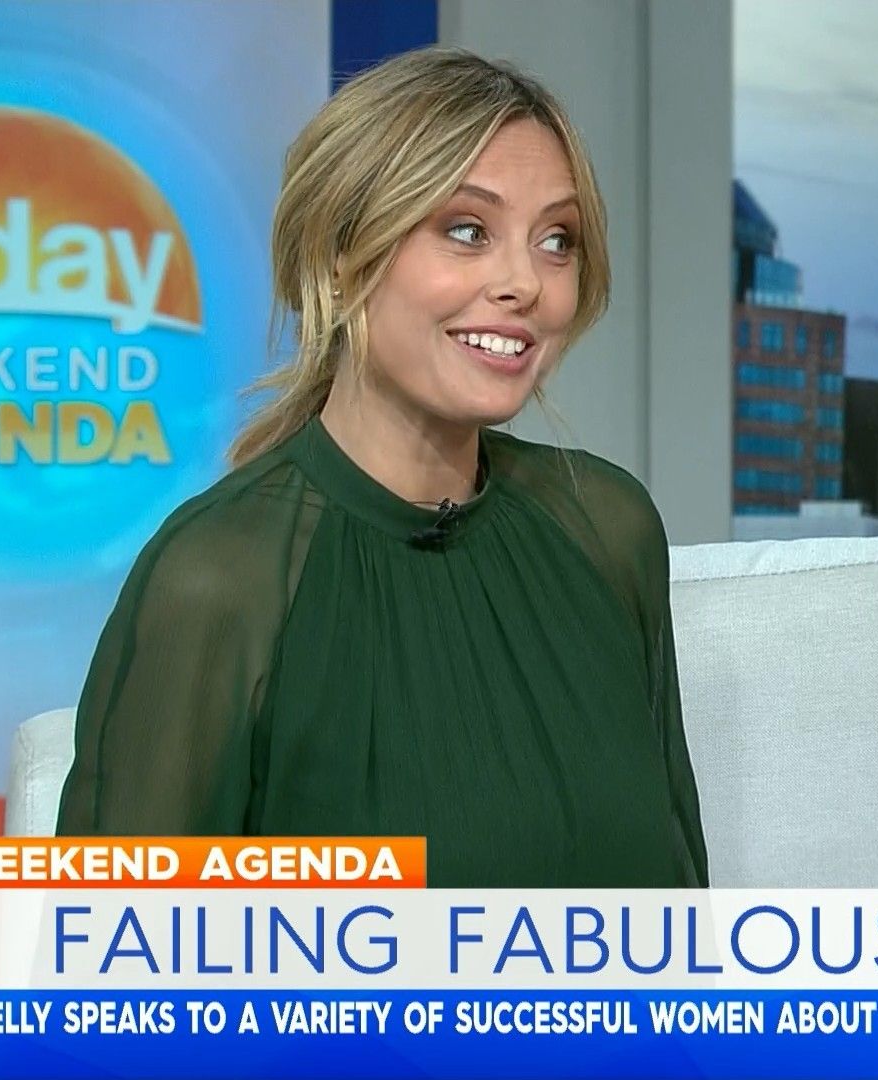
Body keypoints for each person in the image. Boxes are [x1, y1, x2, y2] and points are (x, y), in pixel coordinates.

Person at [54, 46, 708, 888]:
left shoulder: (607, 527)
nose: (526, 283)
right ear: (339, 255)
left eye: (557, 240)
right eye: (467, 230)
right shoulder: (218, 578)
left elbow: (680, 915)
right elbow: (116, 959)